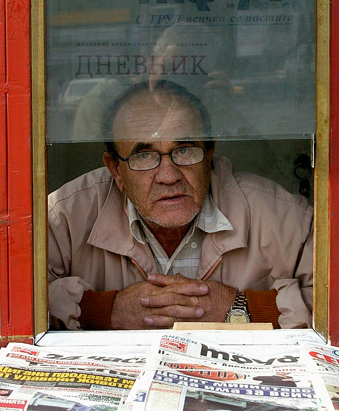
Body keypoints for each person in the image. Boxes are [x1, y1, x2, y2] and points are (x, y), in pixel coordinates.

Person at [47, 81, 314, 329]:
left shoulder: (285, 219)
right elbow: (27, 300)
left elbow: (332, 300)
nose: (168, 176)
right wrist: (107, 310)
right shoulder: (65, 217)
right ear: (116, 169)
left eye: (184, 150)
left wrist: (242, 309)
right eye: (144, 155)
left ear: (209, 153)